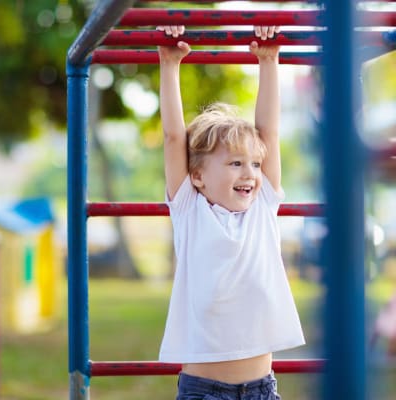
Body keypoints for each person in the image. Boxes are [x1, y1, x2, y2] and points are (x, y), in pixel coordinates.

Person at [157, 25, 305, 400]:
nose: (250, 174)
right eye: (236, 163)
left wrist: (268, 62)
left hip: (260, 389)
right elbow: (175, 137)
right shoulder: (191, 211)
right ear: (198, 176)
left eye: (254, 165)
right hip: (204, 391)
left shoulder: (263, 208)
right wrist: (169, 63)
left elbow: (268, 134)